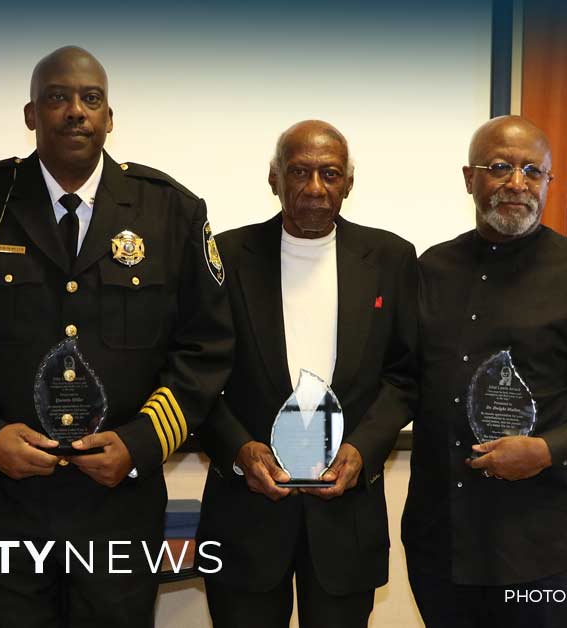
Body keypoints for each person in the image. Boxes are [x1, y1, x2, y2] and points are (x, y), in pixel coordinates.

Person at [0, 46, 233, 628]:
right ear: (32, 114)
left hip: (120, 505)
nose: (75, 112)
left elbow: (205, 349)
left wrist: (140, 443)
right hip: (4, 503)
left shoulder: (172, 212)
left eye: (91, 99)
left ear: (110, 117)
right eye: (58, 97)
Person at [403, 115, 567, 627]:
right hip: (443, 538)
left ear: (548, 182)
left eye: (532, 171)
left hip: (543, 547)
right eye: (499, 167)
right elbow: (403, 379)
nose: (516, 183)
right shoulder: (430, 270)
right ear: (469, 178)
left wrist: (547, 449)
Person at [196, 120, 418, 627]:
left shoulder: (391, 259)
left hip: (346, 516)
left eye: (330, 174)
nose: (315, 189)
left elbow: (405, 376)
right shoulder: (224, 258)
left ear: (349, 183)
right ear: (273, 178)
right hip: (245, 512)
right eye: (299, 172)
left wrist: (363, 448)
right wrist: (238, 450)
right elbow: (195, 374)